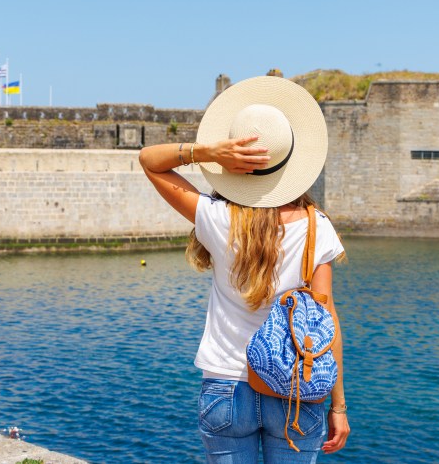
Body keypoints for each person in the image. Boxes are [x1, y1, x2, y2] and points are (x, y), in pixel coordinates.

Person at [139, 75, 349, 462]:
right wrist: (338, 406)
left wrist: (208, 153)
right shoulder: (318, 226)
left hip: (226, 387)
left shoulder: (217, 218)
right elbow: (326, 318)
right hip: (295, 388)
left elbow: (150, 161)